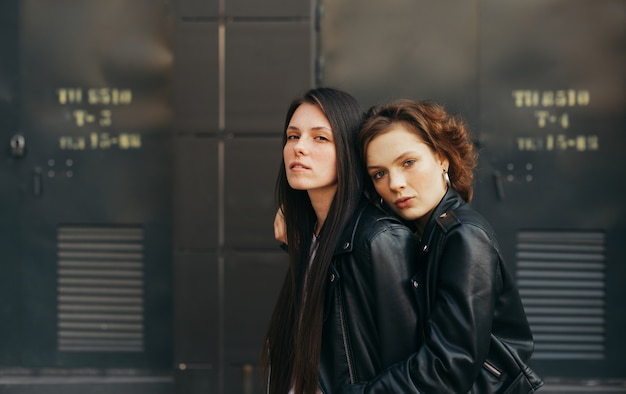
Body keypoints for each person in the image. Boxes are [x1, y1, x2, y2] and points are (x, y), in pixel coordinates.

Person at [349, 99, 543, 393]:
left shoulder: (463, 236)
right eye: (379, 173)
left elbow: (448, 365)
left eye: (408, 163)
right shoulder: (420, 232)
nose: (396, 183)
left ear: (442, 158)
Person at [261, 87, 422, 394]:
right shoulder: (310, 237)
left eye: (320, 137)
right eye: (293, 136)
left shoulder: (379, 240)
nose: (299, 148)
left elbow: (409, 366)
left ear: (349, 150)